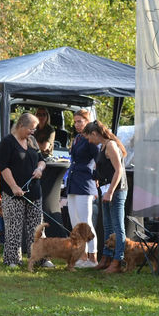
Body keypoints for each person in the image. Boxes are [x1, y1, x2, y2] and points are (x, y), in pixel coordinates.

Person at [0, 112, 49, 268]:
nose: (33, 132)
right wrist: (14, 187)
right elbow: (4, 167)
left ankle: (40, 259)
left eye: (34, 129)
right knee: (14, 227)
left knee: (37, 227)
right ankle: (12, 259)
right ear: (20, 125)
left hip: (34, 191)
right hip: (13, 193)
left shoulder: (32, 141)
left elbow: (42, 161)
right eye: (31, 129)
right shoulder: (7, 142)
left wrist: (39, 169)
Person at [83, 120, 128, 274]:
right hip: (105, 189)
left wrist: (110, 192)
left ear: (94, 134)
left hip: (116, 191)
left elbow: (119, 170)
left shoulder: (111, 145)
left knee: (118, 226)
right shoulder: (103, 146)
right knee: (107, 225)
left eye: (89, 137)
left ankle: (118, 260)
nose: (89, 141)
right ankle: (106, 258)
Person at [65, 109, 99, 268]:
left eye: (80, 121)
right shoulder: (77, 138)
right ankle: (82, 255)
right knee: (75, 222)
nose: (77, 124)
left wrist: (96, 178)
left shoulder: (91, 139)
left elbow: (99, 159)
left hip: (85, 183)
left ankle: (93, 257)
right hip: (73, 182)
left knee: (86, 223)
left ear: (88, 121)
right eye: (75, 121)